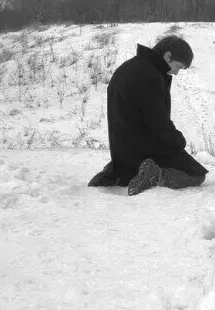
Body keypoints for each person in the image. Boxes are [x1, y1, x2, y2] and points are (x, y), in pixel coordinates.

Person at [87, 35, 208, 195]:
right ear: (167, 56)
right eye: (178, 66)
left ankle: (117, 172)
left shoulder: (129, 67)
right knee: (197, 175)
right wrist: (179, 141)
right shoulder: (151, 77)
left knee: (134, 164)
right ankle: (156, 175)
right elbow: (159, 124)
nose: (177, 73)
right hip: (144, 150)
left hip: (121, 150)